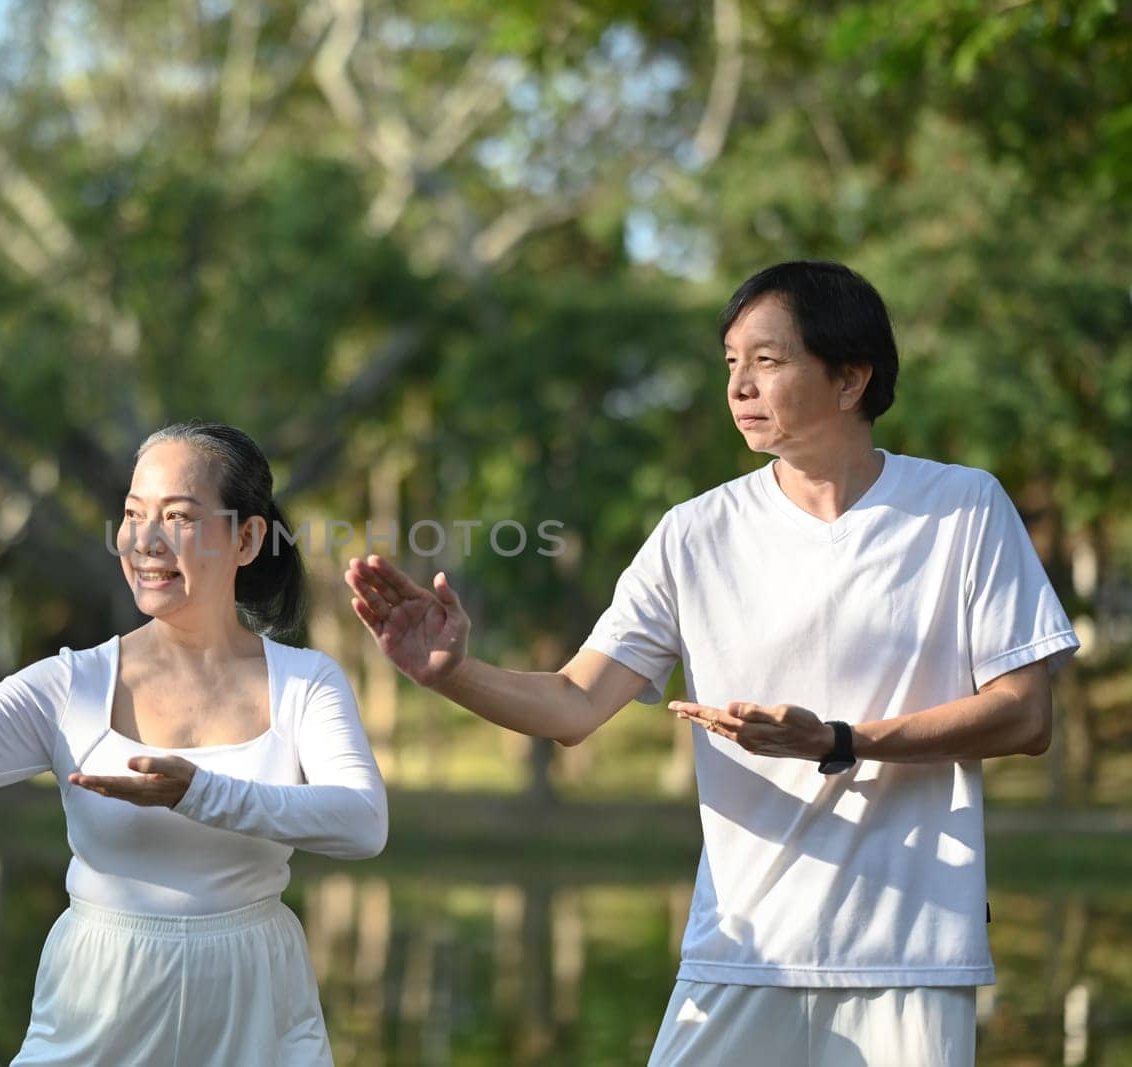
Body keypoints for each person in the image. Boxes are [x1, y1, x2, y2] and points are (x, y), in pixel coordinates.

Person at [344, 261, 1078, 1066]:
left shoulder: (963, 508)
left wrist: (840, 739)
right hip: (741, 949)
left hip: (907, 952)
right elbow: (574, 703)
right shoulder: (695, 534)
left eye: (768, 360)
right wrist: (453, 673)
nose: (739, 385)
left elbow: (1025, 711)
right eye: (730, 361)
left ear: (850, 377)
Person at [0, 421, 387, 1066]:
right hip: (102, 996)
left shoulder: (305, 681)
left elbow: (362, 822)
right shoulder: (72, 683)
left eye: (178, 517)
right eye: (133, 515)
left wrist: (200, 792)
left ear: (246, 538)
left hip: (257, 1002)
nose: (145, 541)